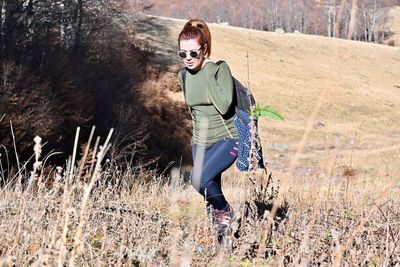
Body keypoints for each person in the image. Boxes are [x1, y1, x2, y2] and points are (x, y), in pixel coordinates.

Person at [177, 19, 239, 232]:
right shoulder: (183, 75)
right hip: (200, 143)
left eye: (193, 53)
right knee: (210, 196)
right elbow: (194, 111)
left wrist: (210, 70)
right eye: (182, 54)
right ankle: (222, 243)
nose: (188, 59)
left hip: (227, 138)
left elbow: (224, 106)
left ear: (204, 49)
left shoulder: (220, 69)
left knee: (198, 179)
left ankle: (229, 212)